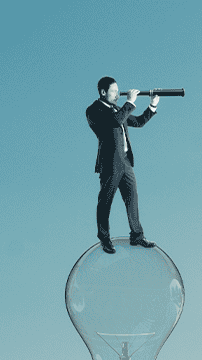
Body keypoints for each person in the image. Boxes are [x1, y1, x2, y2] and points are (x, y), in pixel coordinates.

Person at [86, 76, 159, 254]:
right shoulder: (94, 110)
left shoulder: (118, 109)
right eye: (114, 91)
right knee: (106, 201)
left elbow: (138, 122)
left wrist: (152, 105)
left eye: (118, 91)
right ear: (103, 92)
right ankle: (104, 239)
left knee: (132, 198)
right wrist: (130, 102)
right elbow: (114, 121)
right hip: (109, 163)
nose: (118, 95)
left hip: (125, 161)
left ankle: (137, 236)